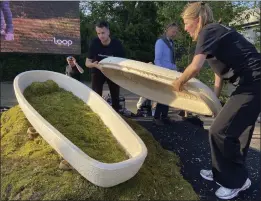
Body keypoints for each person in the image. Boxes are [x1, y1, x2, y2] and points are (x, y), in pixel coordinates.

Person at [172, 2, 260, 199]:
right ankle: (222, 172)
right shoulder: (214, 34)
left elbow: (195, 67)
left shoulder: (208, 31)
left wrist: (178, 82)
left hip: (255, 82)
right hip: (249, 83)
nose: (184, 28)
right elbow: (218, 75)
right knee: (237, 132)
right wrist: (214, 101)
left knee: (220, 131)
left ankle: (236, 181)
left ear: (198, 20)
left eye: (186, 23)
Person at [85, 20, 125, 112]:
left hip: (112, 71)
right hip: (98, 70)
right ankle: (96, 112)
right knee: (96, 95)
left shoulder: (117, 44)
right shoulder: (94, 43)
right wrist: (94, 65)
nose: (101, 36)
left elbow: (123, 62)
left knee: (115, 96)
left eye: (103, 33)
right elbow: (87, 63)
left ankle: (116, 114)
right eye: (98, 33)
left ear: (108, 32)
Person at [153, 22, 179, 125]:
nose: (174, 34)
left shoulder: (171, 43)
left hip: (171, 72)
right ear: (167, 30)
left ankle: (164, 116)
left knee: (168, 96)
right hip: (163, 73)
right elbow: (157, 60)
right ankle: (156, 117)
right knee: (161, 96)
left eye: (176, 32)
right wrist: (161, 74)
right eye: (173, 31)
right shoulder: (160, 42)